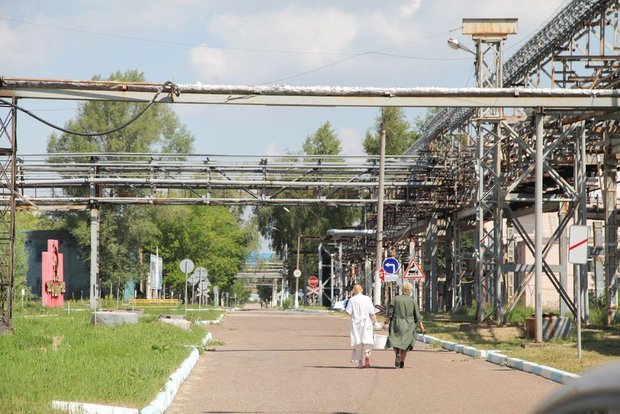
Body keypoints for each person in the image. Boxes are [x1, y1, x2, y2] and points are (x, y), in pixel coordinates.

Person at [386, 281, 425, 369]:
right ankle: (402, 362)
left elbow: (390, 312)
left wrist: (386, 320)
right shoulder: (413, 301)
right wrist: (421, 326)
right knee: (405, 344)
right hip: (409, 325)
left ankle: (397, 353)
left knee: (394, 341)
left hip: (396, 323)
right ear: (410, 290)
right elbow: (417, 315)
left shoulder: (395, 299)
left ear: (402, 289)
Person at [345, 284, 380, 368]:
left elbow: (348, 312)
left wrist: (343, 308)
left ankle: (360, 362)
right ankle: (367, 354)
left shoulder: (352, 300)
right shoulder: (367, 299)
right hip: (367, 323)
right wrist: (376, 322)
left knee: (358, 342)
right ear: (362, 290)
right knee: (367, 340)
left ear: (354, 290)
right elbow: (372, 313)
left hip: (355, 324)